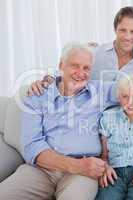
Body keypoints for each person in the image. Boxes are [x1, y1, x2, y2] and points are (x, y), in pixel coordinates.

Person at [0, 42, 112, 200]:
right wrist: (76, 166)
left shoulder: (99, 91)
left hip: (83, 172)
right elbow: (32, 146)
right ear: (61, 65)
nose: (81, 73)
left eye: (86, 68)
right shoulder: (37, 95)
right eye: (75, 65)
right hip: (41, 170)